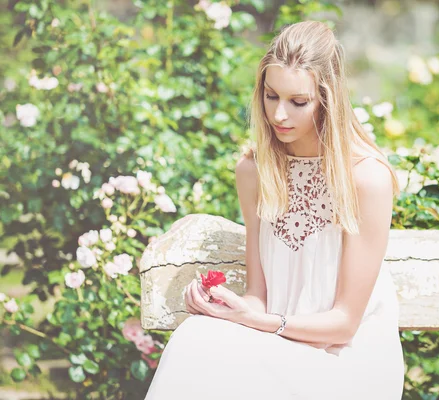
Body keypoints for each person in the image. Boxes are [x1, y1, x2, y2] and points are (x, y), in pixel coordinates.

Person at [144, 20, 405, 399]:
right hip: (274, 346)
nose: (279, 115)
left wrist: (258, 321)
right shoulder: (254, 171)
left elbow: (345, 326)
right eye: (271, 96)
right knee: (196, 335)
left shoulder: (365, 178)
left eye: (298, 102)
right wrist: (226, 308)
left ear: (327, 101)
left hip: (345, 364)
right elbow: (258, 296)